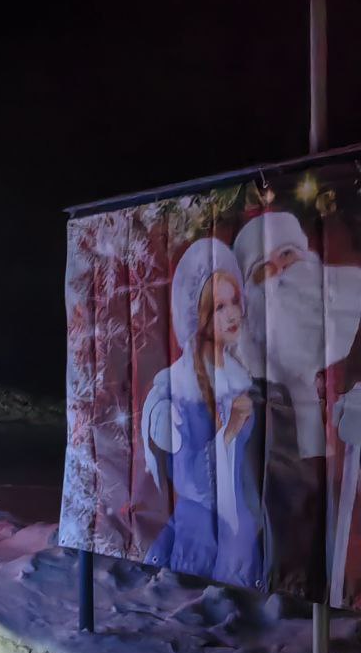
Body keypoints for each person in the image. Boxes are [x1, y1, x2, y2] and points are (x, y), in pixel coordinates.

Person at [233, 210, 361, 603]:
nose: (281, 275)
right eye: (264, 270)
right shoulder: (257, 391)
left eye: (287, 255)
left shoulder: (350, 309)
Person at [142, 238, 262, 587]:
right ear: (199, 315)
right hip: (201, 533)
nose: (233, 313)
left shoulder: (241, 380)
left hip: (241, 529)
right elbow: (192, 481)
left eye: (234, 301)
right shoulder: (180, 389)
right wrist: (229, 430)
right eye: (220, 306)